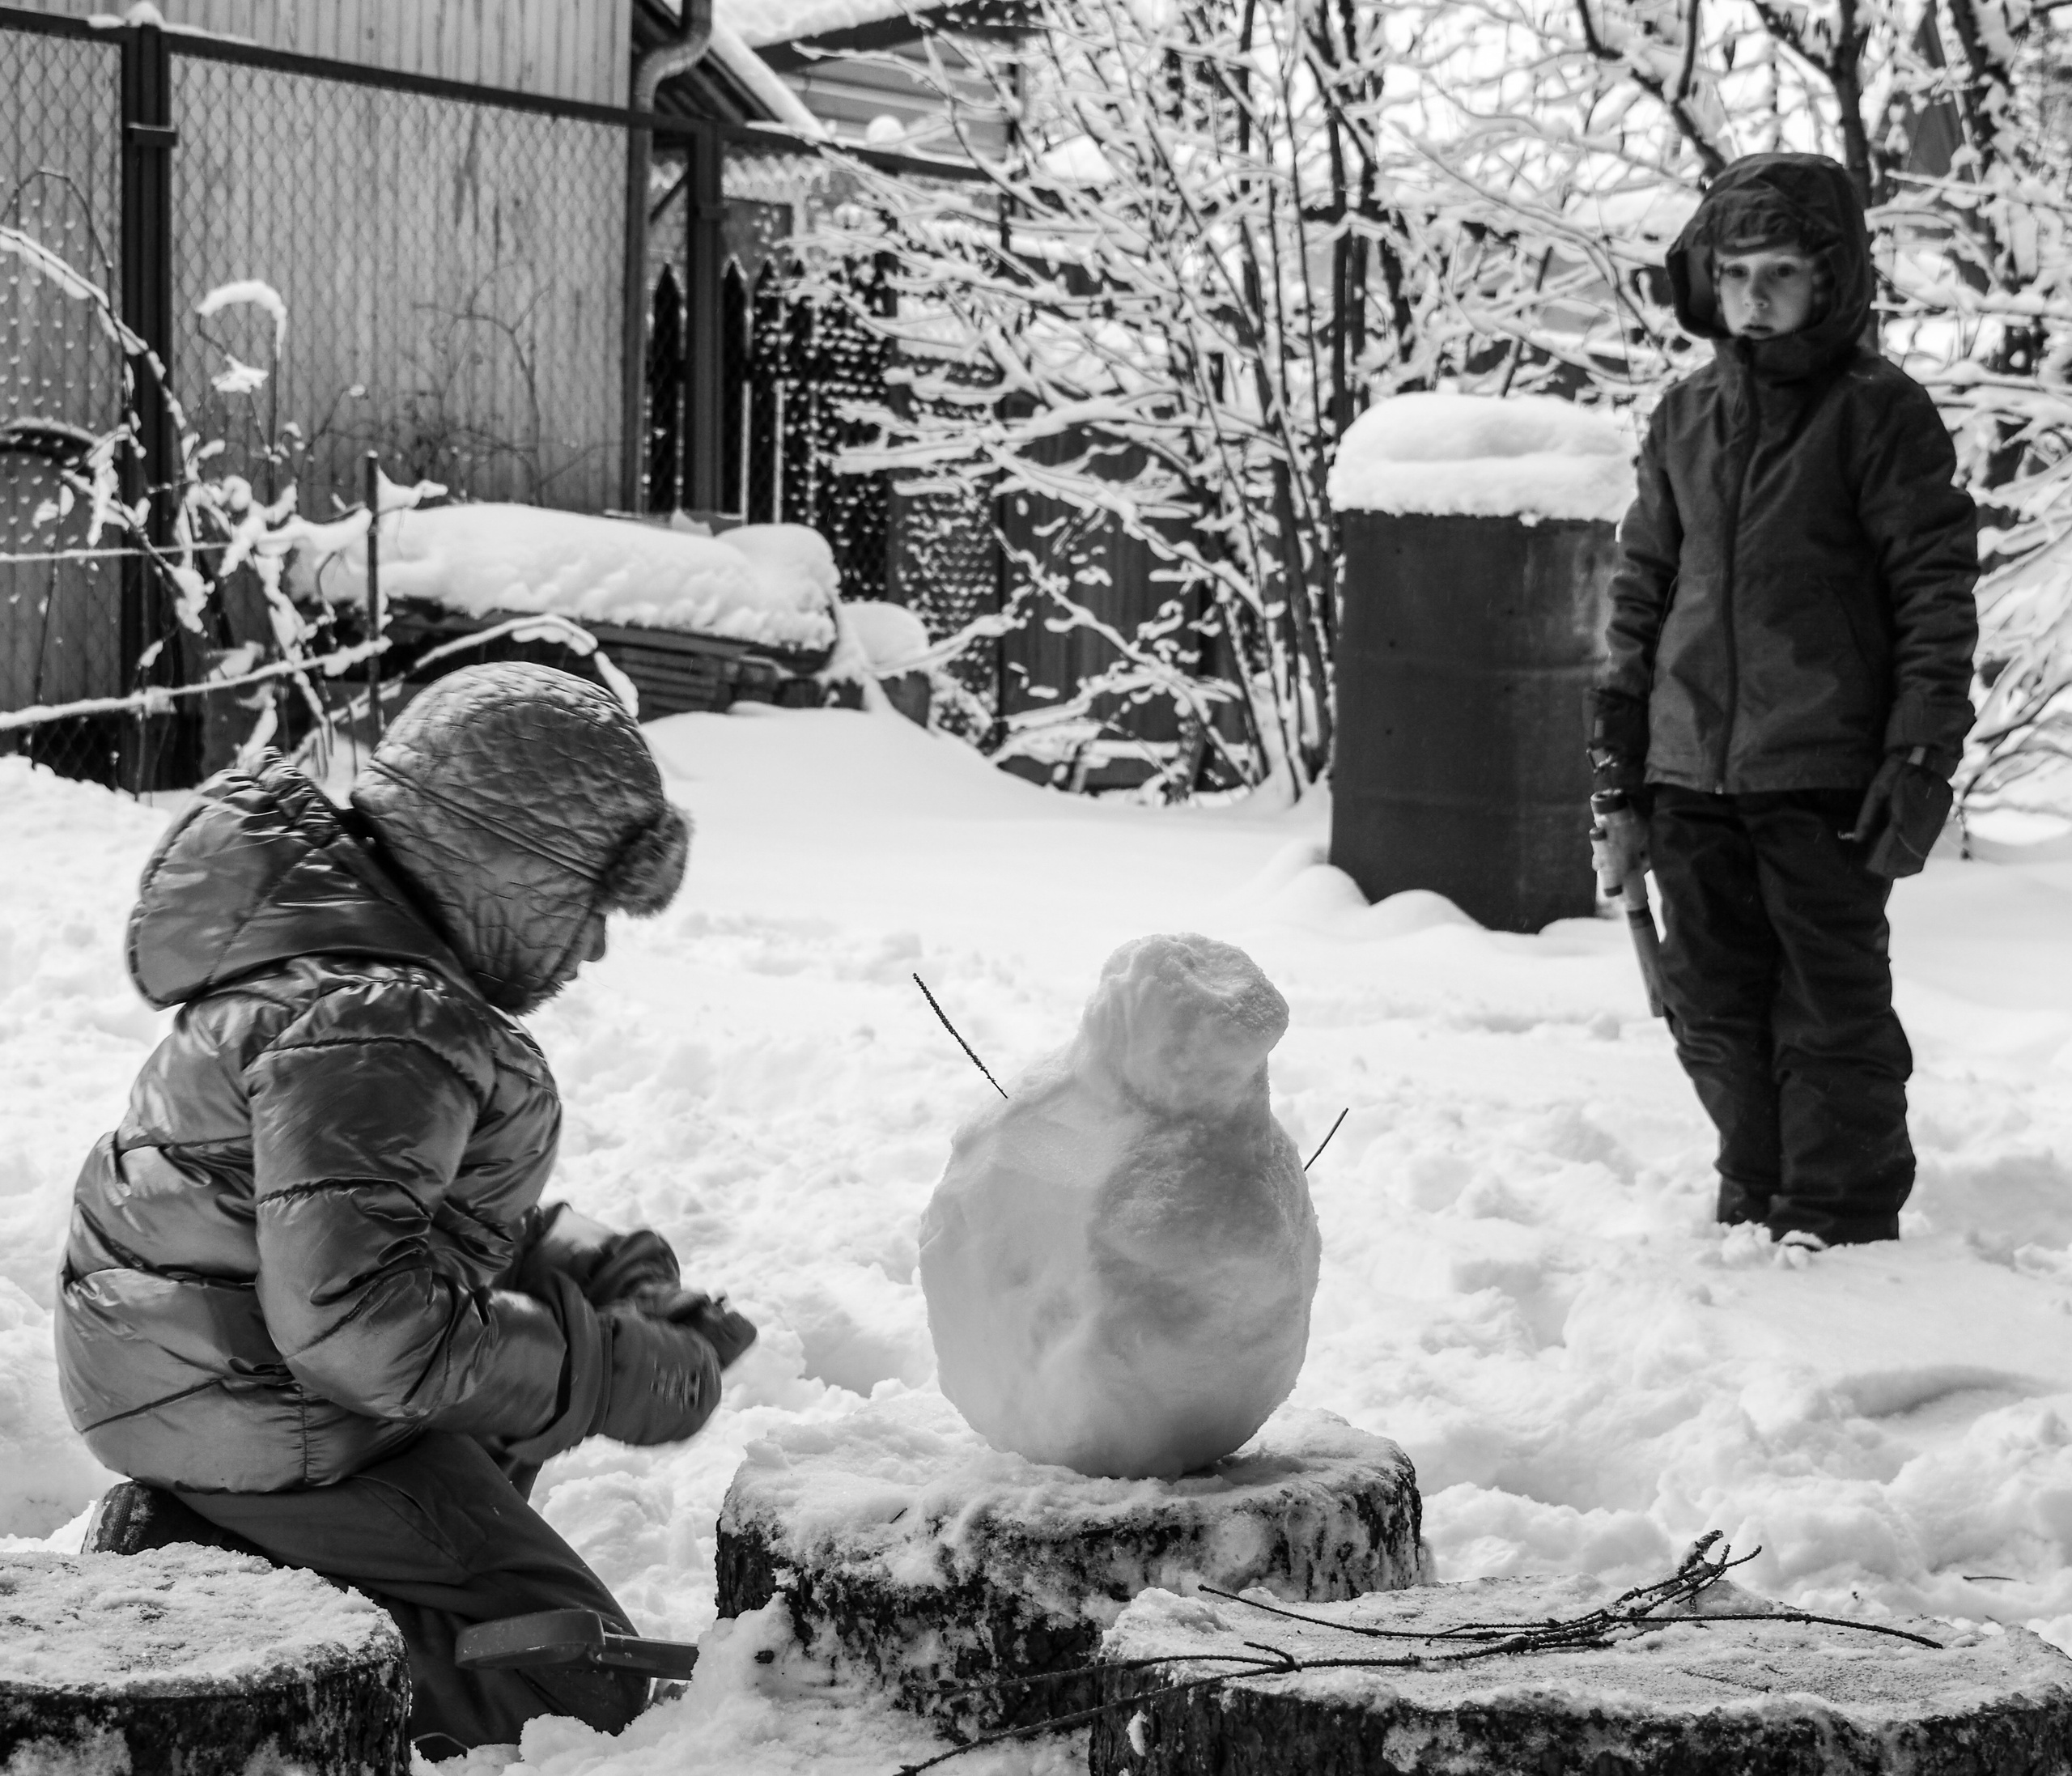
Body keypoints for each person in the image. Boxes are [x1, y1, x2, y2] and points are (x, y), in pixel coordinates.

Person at [56, 662, 754, 1753]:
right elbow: (360, 1321)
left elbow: (379, 1216)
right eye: (589, 903)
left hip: (230, 1385)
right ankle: (212, 1603)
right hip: (271, 1408)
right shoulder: (383, 1018)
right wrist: (606, 1369)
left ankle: (252, 1562)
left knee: (503, 1497)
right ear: (509, 868)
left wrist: (586, 1265)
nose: (598, 946)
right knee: (578, 1688)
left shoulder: (350, 984)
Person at [1591, 152, 1978, 1250]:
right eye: (1735, 271)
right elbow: (1641, 591)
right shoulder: (1685, 419)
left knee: (1828, 1006)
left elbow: (1933, 597)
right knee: (1710, 1003)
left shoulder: (1879, 416)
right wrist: (1618, 756)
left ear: (1834, 279)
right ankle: (1754, 1189)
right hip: (1687, 773)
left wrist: (1917, 755)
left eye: (1781, 273)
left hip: (1825, 773)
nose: (1753, 297)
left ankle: (1840, 1216)